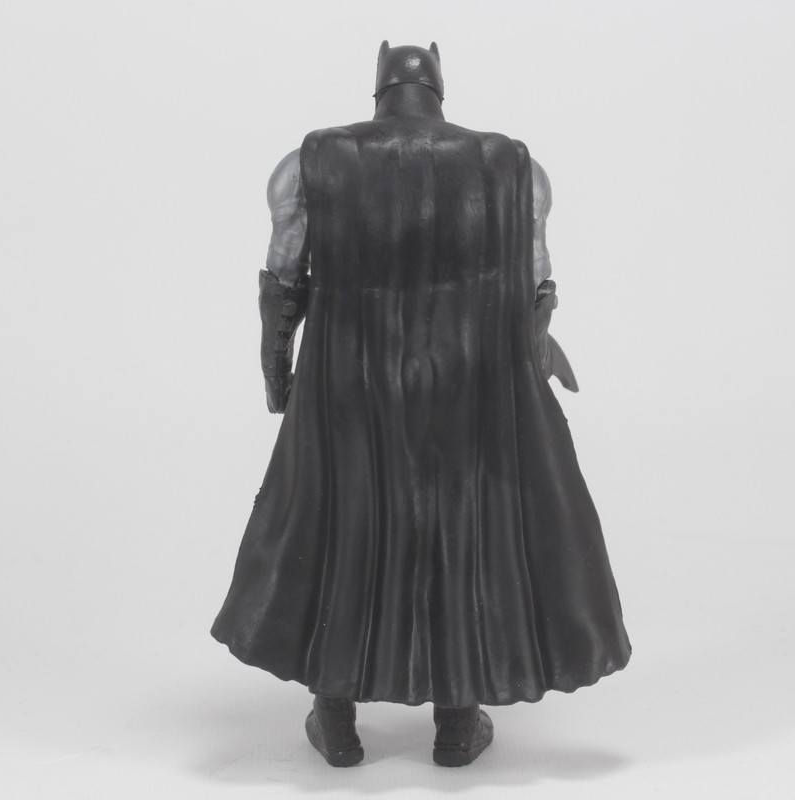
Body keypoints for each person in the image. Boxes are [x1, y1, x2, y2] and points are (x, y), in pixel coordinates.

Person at [212, 42, 631, 768]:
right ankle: (457, 724)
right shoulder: (514, 166)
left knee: (338, 526)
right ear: (439, 83)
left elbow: (281, 285)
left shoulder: (309, 162)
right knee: (459, 533)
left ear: (378, 85)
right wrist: (535, 357)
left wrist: (277, 375)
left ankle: (335, 719)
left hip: (347, 380)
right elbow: (537, 284)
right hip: (474, 386)